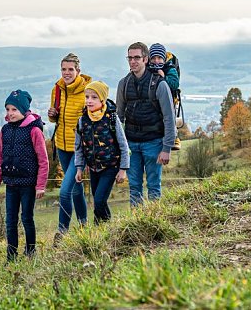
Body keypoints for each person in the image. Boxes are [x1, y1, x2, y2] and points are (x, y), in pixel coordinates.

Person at [0, 89, 49, 262]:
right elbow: (0, 157)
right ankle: (11, 255)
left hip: (28, 184)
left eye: (14, 110)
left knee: (26, 218)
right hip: (11, 184)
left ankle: (30, 252)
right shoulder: (5, 130)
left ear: (24, 110)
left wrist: (40, 185)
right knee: (10, 221)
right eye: (7, 109)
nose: (10, 113)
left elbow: (43, 160)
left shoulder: (34, 130)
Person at [116, 42, 176, 206]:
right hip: (131, 144)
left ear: (145, 59)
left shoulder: (159, 84)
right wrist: (119, 147)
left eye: (137, 57)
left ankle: (155, 223)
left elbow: (169, 117)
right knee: (134, 187)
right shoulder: (124, 84)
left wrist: (167, 148)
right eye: (130, 58)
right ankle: (136, 226)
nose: (133, 61)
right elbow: (119, 118)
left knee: (154, 187)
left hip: (154, 142)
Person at [47, 52, 90, 241]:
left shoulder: (88, 89)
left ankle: (62, 232)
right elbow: (54, 118)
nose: (66, 73)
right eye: (63, 69)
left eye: (70, 69)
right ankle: (84, 226)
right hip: (62, 146)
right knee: (76, 188)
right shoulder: (57, 89)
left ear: (78, 71)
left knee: (65, 191)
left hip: (80, 149)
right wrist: (52, 114)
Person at [74, 80, 129, 223]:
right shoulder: (82, 120)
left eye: (94, 97)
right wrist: (79, 168)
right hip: (93, 168)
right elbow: (79, 147)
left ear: (102, 99)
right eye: (87, 97)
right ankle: (102, 230)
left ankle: (105, 228)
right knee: (99, 202)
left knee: (98, 200)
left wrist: (123, 169)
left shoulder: (111, 118)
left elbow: (123, 144)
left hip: (110, 166)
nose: (89, 101)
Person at [147, 43, 182, 151]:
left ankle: (174, 138)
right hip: (153, 98)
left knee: (169, 117)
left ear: (164, 58)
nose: (156, 61)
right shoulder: (147, 68)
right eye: (153, 58)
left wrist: (164, 77)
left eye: (159, 58)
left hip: (170, 98)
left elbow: (175, 84)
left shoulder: (170, 68)